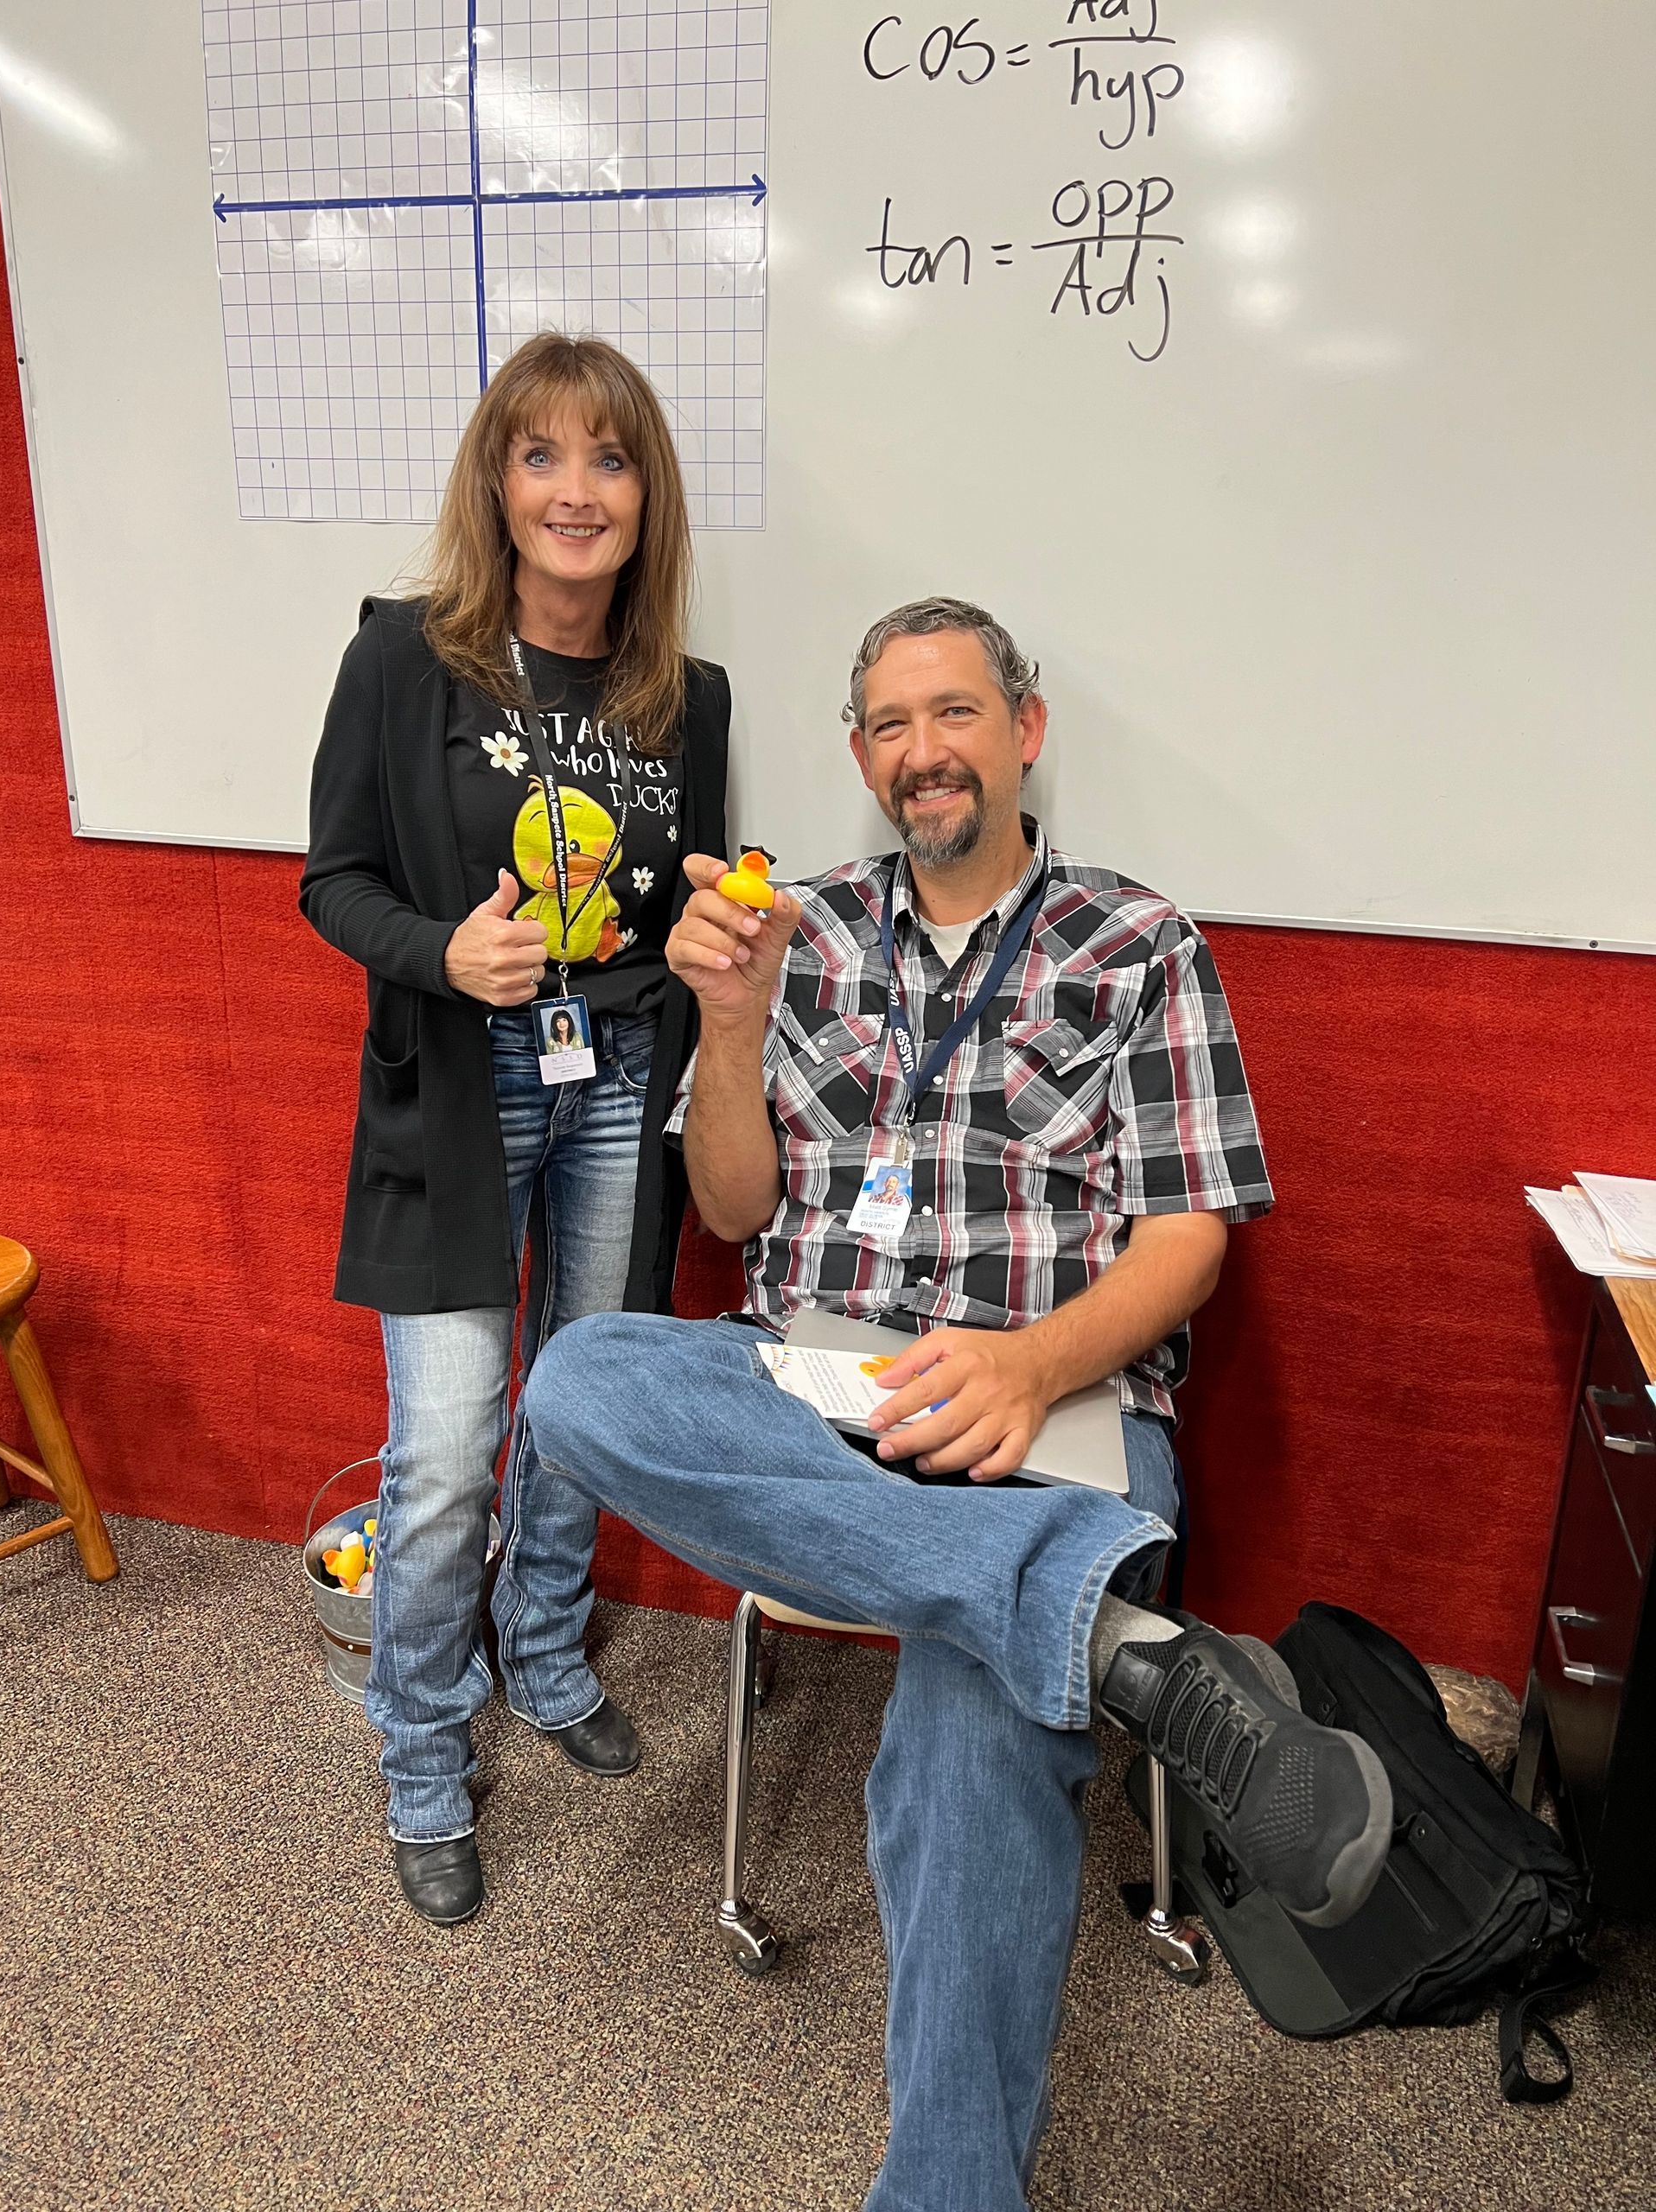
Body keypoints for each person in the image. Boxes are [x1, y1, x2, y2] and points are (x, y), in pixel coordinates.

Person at [508, 598, 1394, 2211]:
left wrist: (1035, 1362)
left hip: (1050, 1401)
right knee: (579, 1378)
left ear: (1023, 731)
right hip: (815, 1383)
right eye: (891, 725)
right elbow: (723, 1215)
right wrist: (723, 1024)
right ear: (861, 756)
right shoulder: (804, 933)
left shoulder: (1140, 943)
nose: (925, 752)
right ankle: (1110, 1636)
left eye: (957, 713)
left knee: (972, 1739)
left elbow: (1191, 1243)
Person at [299, 334, 729, 1925]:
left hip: (619, 1078)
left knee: (585, 1399)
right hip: (463, 1088)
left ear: (644, 497)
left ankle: (542, 1654)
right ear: (498, 481)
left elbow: (680, 914)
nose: (574, 489)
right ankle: (420, 1751)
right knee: (448, 1448)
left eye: (608, 459)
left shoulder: (687, 696)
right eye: (540, 454)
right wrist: (445, 953)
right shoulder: (406, 660)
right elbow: (333, 878)